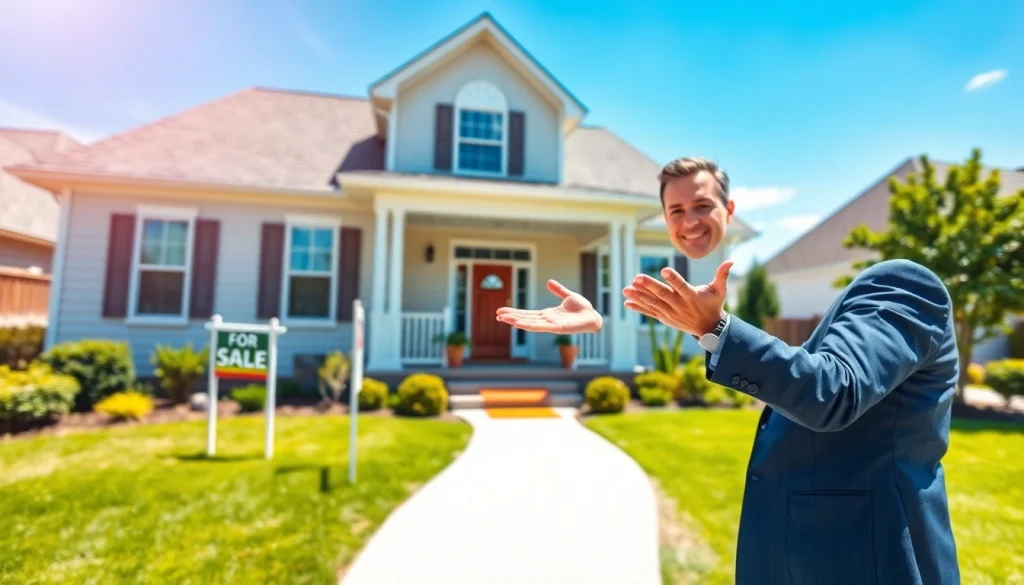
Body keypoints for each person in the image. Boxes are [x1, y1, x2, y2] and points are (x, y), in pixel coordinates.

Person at [496, 157, 961, 585]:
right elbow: (681, 309)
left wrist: (714, 327)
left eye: (701, 205)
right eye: (674, 211)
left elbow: (831, 390)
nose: (688, 221)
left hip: (875, 558)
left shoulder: (903, 284)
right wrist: (599, 314)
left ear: (729, 209)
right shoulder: (717, 292)